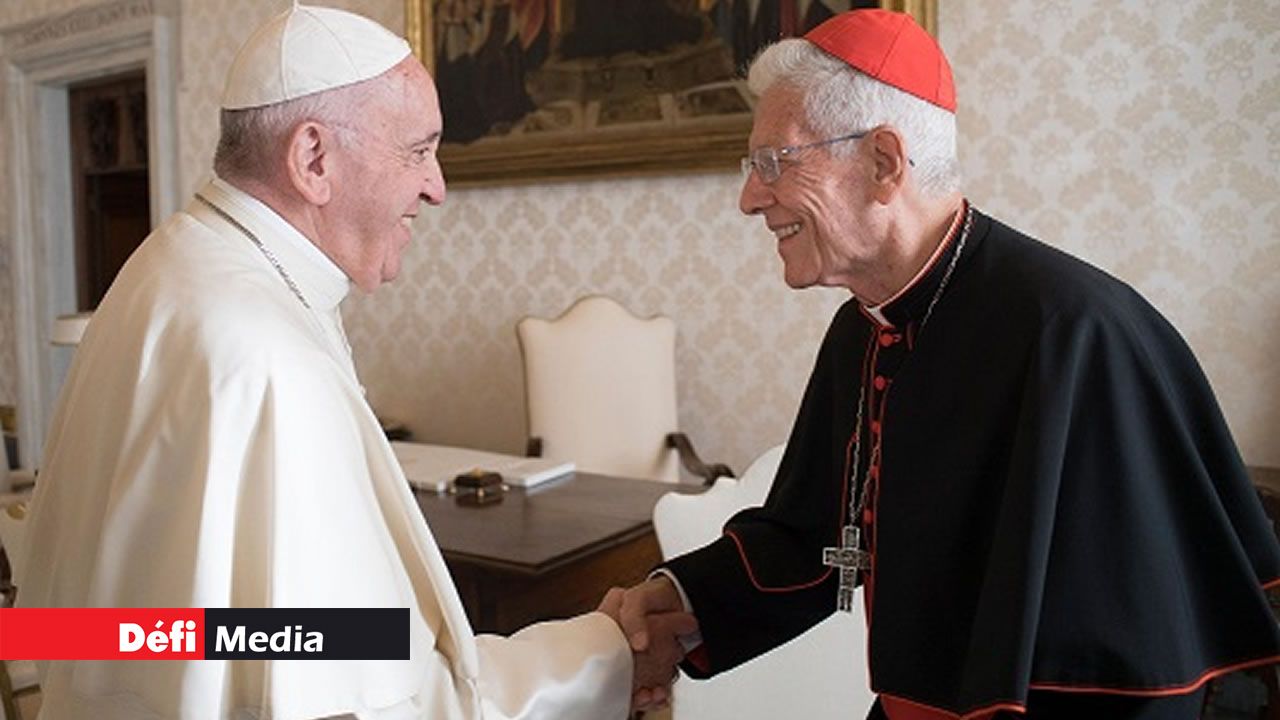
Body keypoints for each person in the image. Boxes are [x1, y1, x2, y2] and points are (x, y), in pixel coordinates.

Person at [18, 5, 691, 719]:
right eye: (417, 150)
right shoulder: (265, 356)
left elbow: (112, 634)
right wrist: (608, 653)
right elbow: (371, 701)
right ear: (313, 159)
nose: (437, 186)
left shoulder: (167, 265)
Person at [616, 9, 1280, 720]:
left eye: (774, 162)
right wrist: (677, 604)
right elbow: (815, 537)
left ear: (883, 163)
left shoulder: (1074, 335)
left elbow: (1135, 665)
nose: (751, 197)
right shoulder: (862, 330)